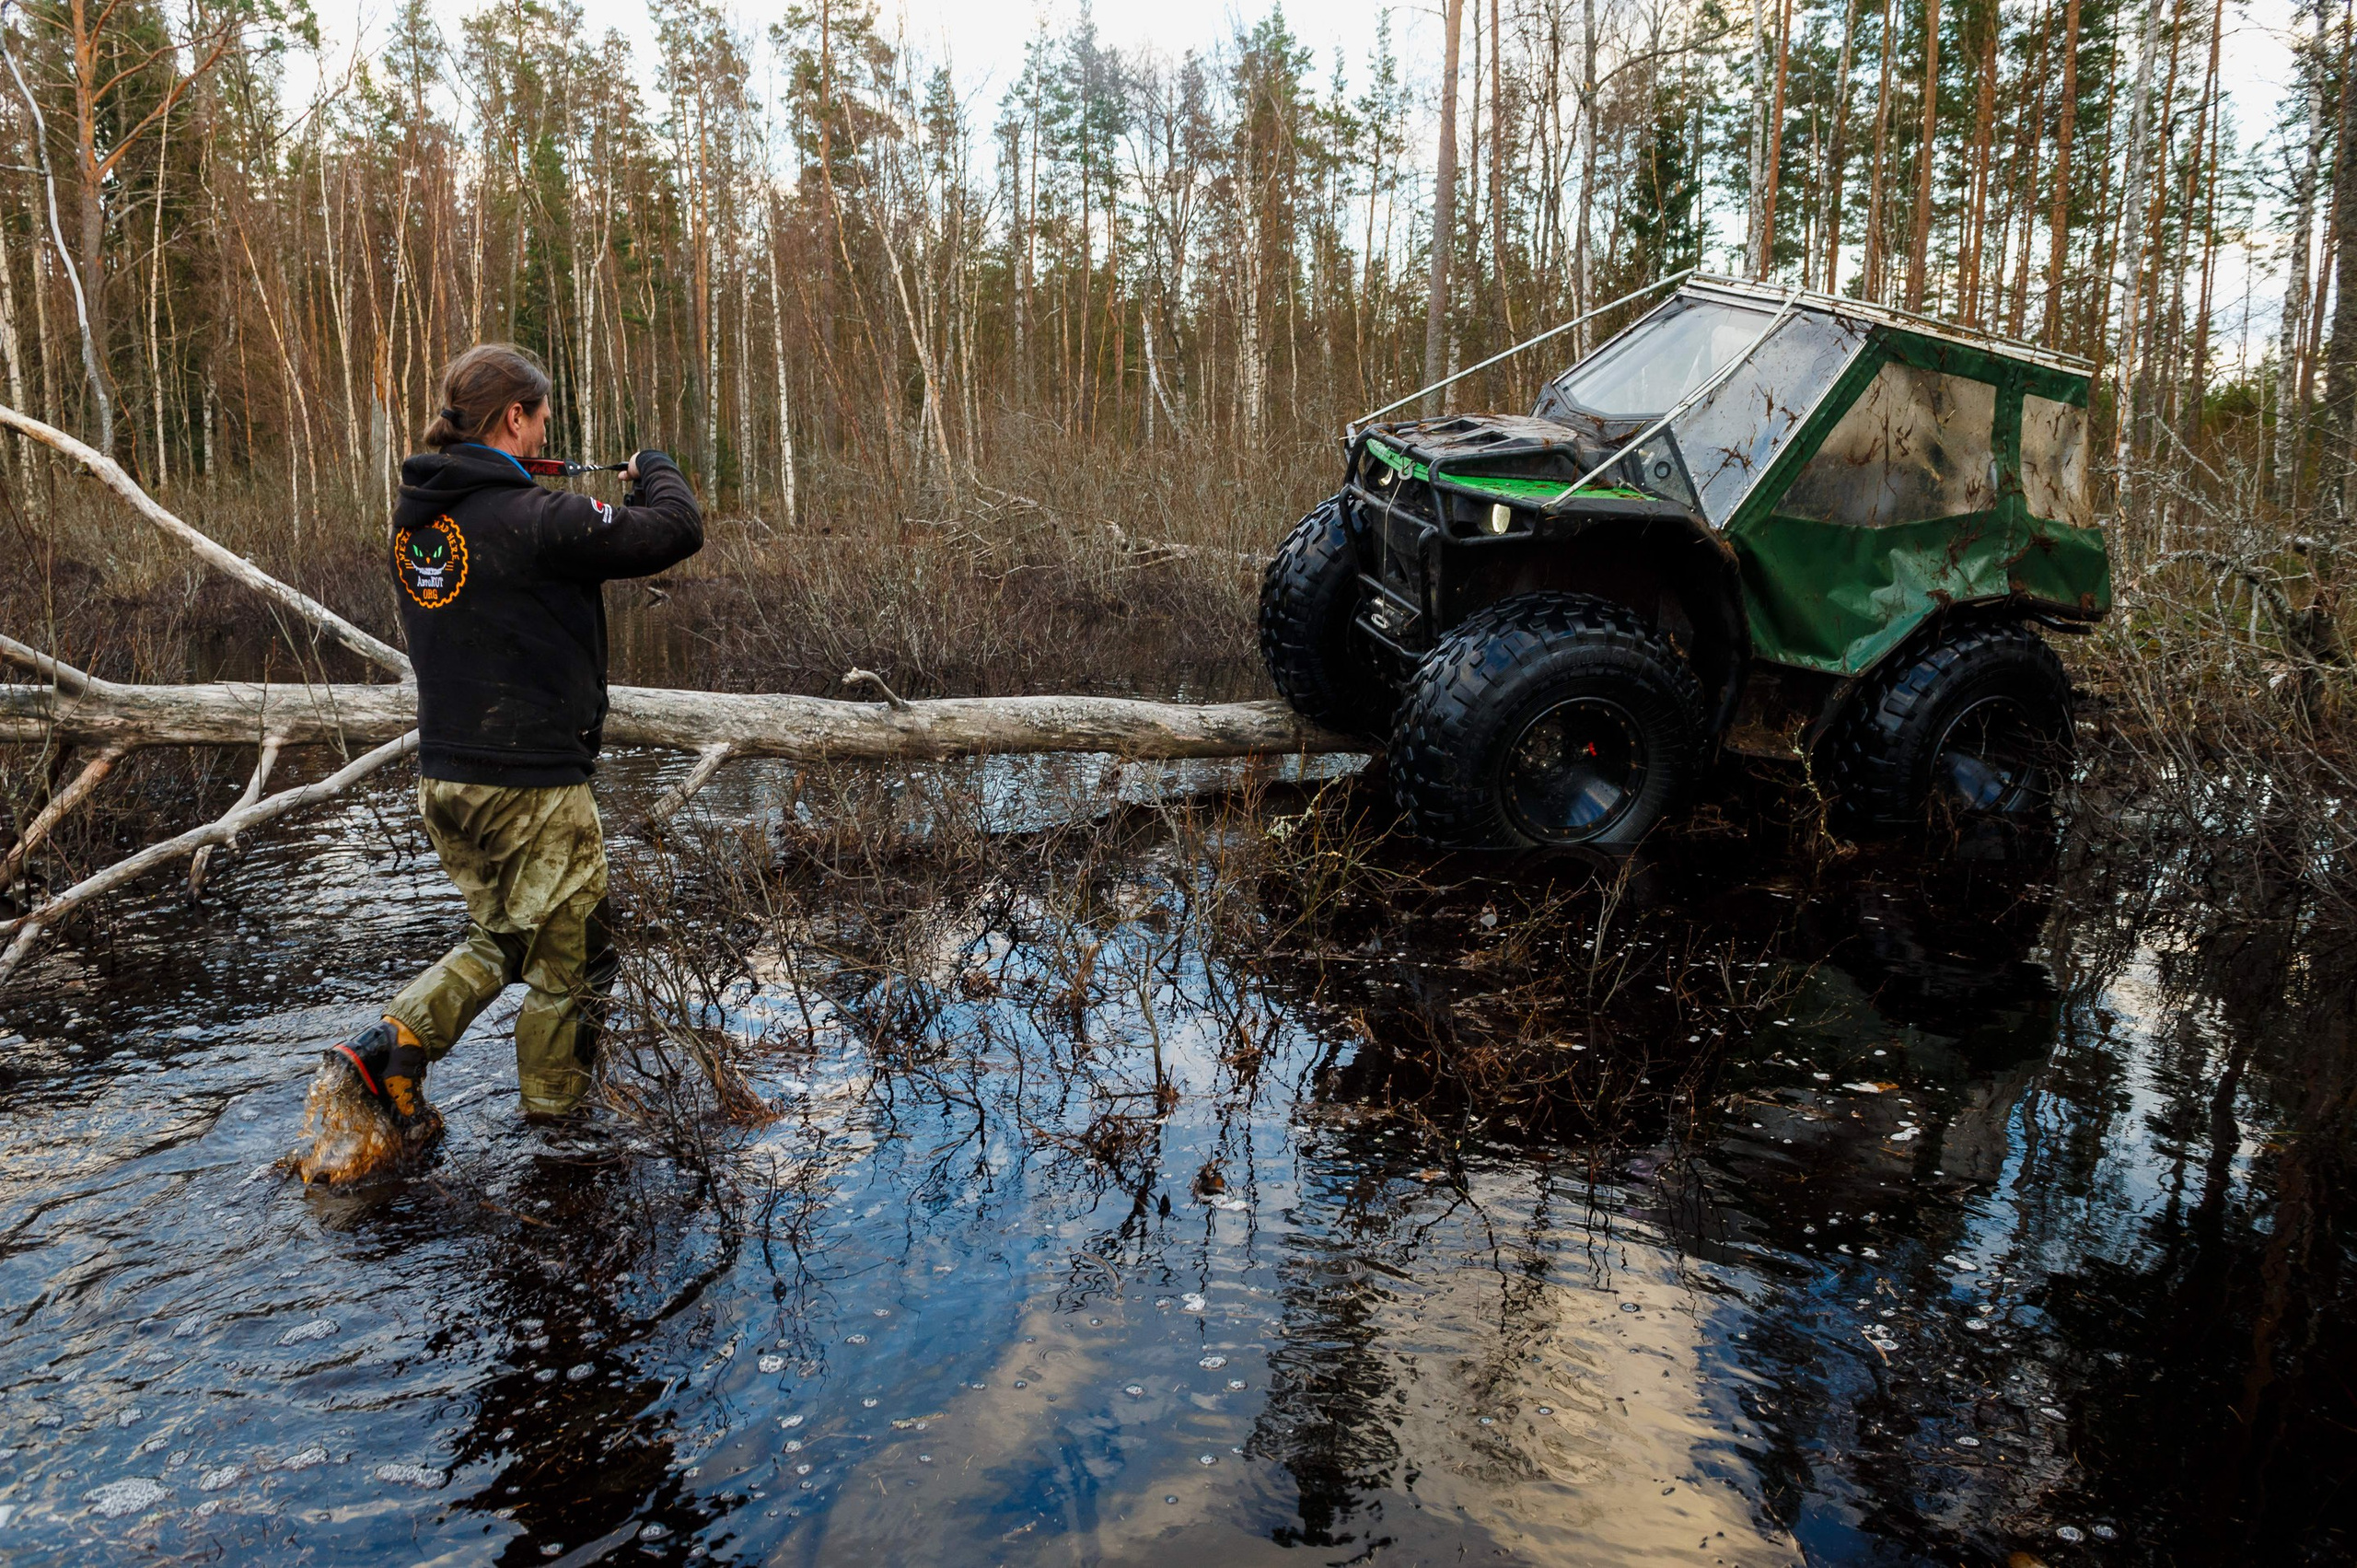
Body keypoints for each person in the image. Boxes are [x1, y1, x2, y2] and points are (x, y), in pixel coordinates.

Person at [321, 343, 702, 1148]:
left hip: (448, 782)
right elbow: (675, 529)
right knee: (574, 968)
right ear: (515, 417)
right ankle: (557, 1143)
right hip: (531, 788)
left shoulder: (415, 520)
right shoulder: (538, 518)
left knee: (503, 937)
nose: (542, 437)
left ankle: (391, 1046)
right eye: (539, 421)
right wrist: (655, 465)